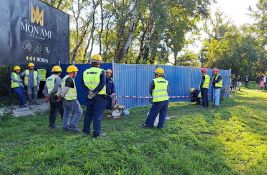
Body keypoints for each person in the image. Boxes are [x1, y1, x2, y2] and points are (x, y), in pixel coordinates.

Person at [82, 54, 107, 138]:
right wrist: (94, 92)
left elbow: (82, 84)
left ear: (91, 62)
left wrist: (89, 92)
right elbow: (102, 84)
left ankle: (86, 131)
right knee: (97, 115)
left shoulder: (85, 72)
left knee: (88, 113)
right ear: (99, 63)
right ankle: (96, 134)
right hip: (99, 97)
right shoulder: (102, 71)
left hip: (89, 96)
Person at [60, 65, 82, 132]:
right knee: (79, 112)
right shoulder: (69, 79)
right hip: (71, 99)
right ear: (73, 72)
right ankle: (73, 126)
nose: (76, 73)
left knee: (67, 113)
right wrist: (62, 95)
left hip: (65, 100)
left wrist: (61, 97)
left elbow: (60, 88)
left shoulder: (64, 78)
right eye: (76, 72)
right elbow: (66, 89)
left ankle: (66, 127)